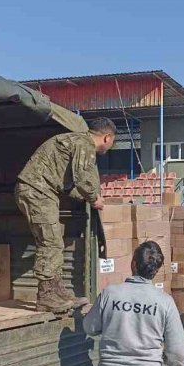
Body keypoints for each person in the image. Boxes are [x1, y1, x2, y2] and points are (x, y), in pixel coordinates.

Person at [15, 118, 116, 313]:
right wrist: (95, 198)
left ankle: (57, 291)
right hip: (37, 190)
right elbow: (83, 178)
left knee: (53, 239)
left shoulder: (75, 142)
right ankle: (46, 296)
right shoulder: (84, 144)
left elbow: (69, 184)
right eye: (112, 143)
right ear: (107, 137)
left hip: (41, 190)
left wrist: (87, 196)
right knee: (51, 242)